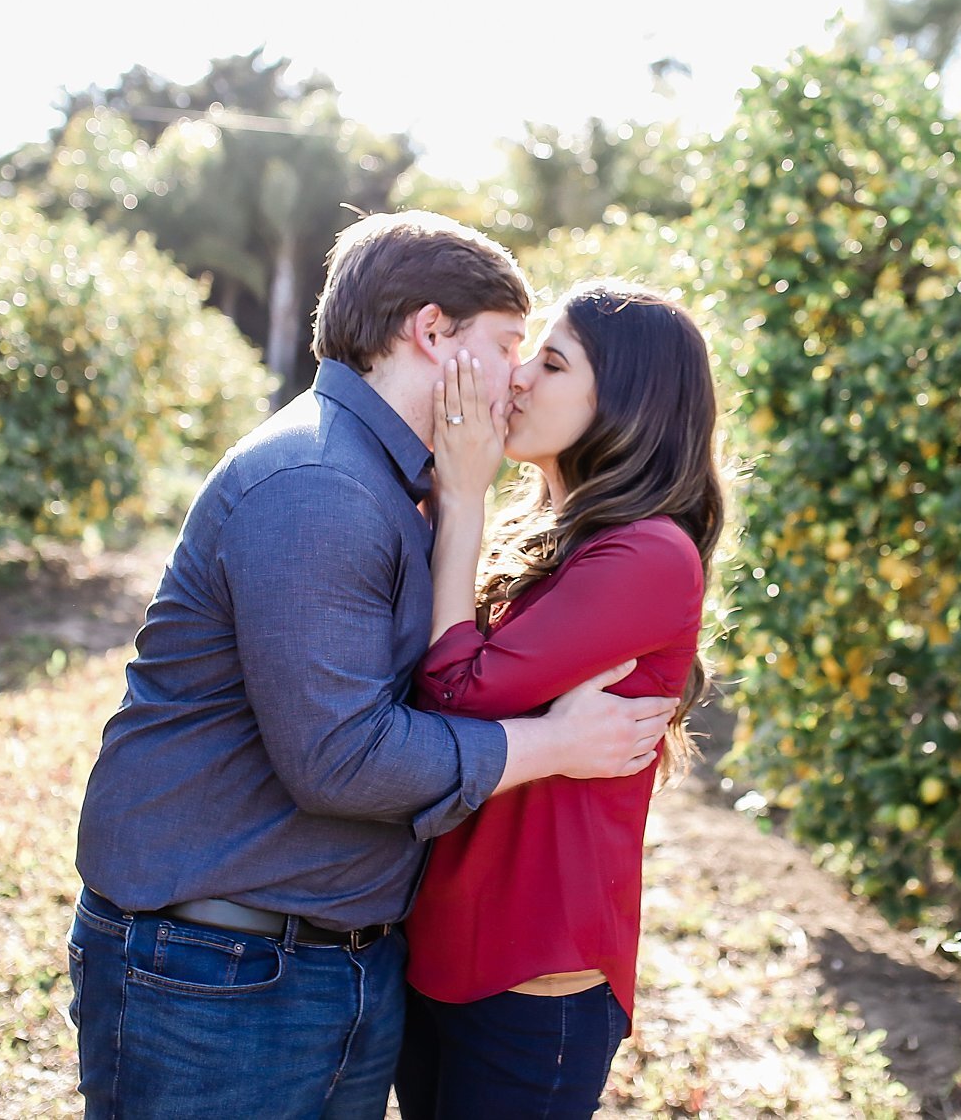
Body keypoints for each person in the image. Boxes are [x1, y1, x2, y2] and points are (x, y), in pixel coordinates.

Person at [67, 214, 681, 1120]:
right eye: (509, 344)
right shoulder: (320, 484)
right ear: (431, 332)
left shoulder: (397, 481)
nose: (518, 375)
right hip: (219, 972)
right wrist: (549, 743)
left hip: (313, 962)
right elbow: (341, 759)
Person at [393, 281, 725, 1119]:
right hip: (444, 944)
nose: (518, 379)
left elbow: (456, 692)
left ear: (627, 401)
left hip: (532, 978)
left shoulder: (649, 553)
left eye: (552, 360)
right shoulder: (549, 536)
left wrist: (463, 496)